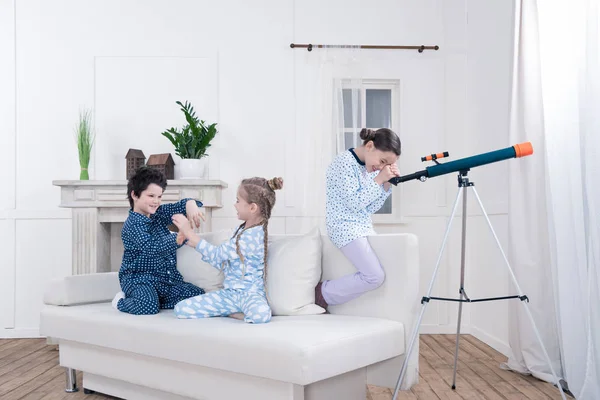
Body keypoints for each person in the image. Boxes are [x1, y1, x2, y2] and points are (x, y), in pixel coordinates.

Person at [171, 177, 283, 324]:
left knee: (260, 314)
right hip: (229, 295)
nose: (235, 205)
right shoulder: (240, 231)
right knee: (181, 309)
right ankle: (232, 310)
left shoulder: (253, 236)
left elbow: (218, 254)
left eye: (238, 201)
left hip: (250, 295)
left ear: (252, 208)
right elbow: (222, 261)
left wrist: (191, 234)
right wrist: (188, 239)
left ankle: (239, 313)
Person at [316, 128, 401, 310]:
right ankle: (322, 293)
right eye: (382, 161)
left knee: (384, 273)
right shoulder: (343, 163)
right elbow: (354, 204)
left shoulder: (368, 167)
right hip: (343, 227)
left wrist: (386, 184)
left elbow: (369, 207)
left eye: (386, 164)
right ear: (369, 146)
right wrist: (379, 179)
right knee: (374, 276)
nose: (381, 166)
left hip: (362, 227)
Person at [112, 167, 205, 315]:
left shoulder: (158, 213)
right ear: (135, 195)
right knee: (148, 307)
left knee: (198, 294)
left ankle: (155, 299)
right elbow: (152, 248)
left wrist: (191, 205)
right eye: (151, 196)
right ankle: (121, 301)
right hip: (139, 279)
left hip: (166, 280)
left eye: (159, 196)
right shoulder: (132, 225)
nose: (156, 201)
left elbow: (179, 206)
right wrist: (180, 235)